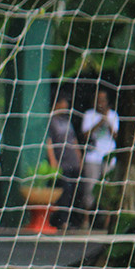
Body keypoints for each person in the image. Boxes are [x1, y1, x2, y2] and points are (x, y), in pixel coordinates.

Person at [46, 94, 84, 229]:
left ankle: (73, 220)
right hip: (62, 163)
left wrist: (79, 157)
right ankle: (62, 221)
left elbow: (74, 140)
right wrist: (53, 160)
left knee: (75, 191)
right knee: (65, 192)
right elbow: (49, 141)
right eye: (63, 103)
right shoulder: (51, 121)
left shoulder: (68, 121)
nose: (66, 106)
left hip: (73, 162)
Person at [80, 89, 119, 219]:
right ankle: (86, 219)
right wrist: (100, 121)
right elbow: (85, 134)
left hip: (108, 156)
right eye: (98, 99)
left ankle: (106, 221)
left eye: (103, 100)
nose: (101, 103)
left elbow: (115, 135)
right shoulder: (89, 114)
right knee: (90, 188)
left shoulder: (113, 115)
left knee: (108, 189)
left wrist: (107, 120)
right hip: (92, 157)